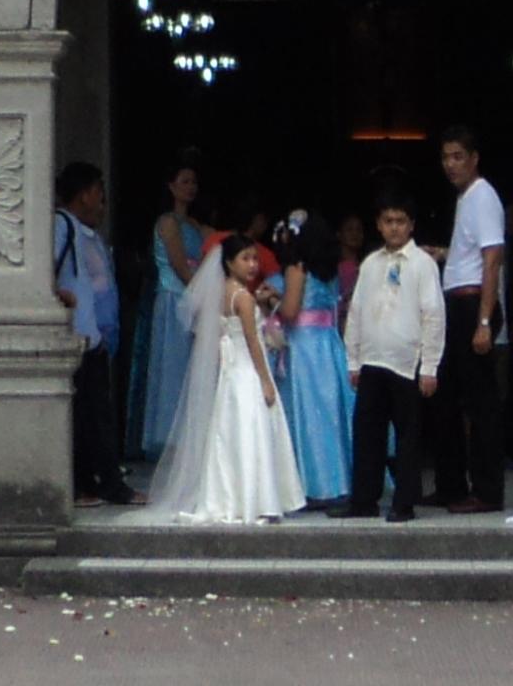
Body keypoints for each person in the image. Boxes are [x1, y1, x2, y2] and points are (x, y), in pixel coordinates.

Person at [127, 234, 305, 525]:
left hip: (230, 375)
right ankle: (257, 499)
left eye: (254, 258)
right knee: (251, 433)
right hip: (247, 372)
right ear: (229, 263)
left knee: (228, 435)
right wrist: (266, 380)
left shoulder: (222, 293)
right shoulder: (244, 298)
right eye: (245, 258)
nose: (252, 264)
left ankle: (233, 496)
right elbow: (253, 342)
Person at [340, 189, 444, 523]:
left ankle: (404, 502)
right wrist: (353, 360)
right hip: (372, 361)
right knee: (367, 432)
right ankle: (363, 500)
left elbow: (433, 315)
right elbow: (356, 311)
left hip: (407, 363)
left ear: (411, 225)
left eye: (401, 221)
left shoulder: (423, 265)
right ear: (379, 225)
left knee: (408, 435)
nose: (395, 227)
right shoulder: (370, 263)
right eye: (388, 221)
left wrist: (429, 366)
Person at [431, 126, 506, 511]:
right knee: (446, 397)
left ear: (474, 158)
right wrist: (444, 254)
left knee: (480, 404)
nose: (451, 165)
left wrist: (484, 322)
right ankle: (451, 484)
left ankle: (487, 491)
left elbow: (492, 259)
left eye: (458, 156)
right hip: (456, 303)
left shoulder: (484, 196)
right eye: (446, 157)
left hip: (473, 304)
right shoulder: (466, 199)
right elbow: (471, 253)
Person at [52, 161, 136, 506]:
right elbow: (45, 268)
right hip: (78, 335)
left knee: (93, 414)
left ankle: (93, 482)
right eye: (99, 195)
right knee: (92, 415)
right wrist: (56, 295)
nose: (102, 204)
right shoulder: (61, 227)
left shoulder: (85, 233)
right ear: (85, 194)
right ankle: (103, 484)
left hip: (95, 336)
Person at [131, 156, 216, 460]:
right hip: (174, 300)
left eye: (193, 182)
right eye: (184, 181)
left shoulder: (195, 224)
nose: (190, 187)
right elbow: (180, 266)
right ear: (170, 186)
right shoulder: (167, 221)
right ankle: (170, 441)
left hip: (192, 299)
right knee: (173, 369)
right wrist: (205, 295)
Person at [275, 213, 357, 509]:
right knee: (330, 416)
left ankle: (310, 485)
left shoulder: (298, 268)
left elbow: (291, 311)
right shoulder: (331, 270)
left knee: (306, 415)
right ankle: (336, 483)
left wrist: (274, 300)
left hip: (305, 347)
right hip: (328, 342)